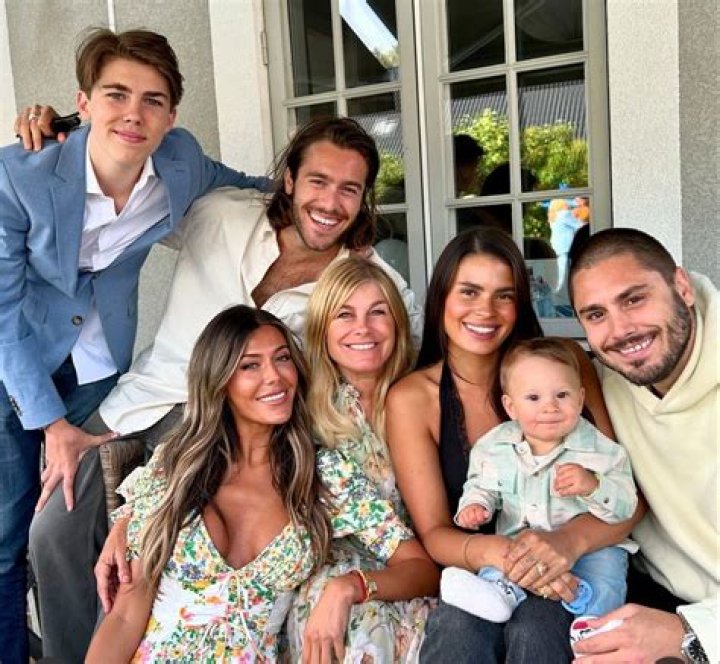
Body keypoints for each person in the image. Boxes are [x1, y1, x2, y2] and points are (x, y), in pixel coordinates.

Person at [30, 116, 422, 661]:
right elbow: (130, 191)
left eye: (349, 189)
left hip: (238, 429)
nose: (331, 203)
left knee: (136, 572)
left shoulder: (360, 281)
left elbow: (404, 346)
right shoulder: (221, 214)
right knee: (54, 532)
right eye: (318, 181)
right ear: (289, 179)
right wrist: (69, 138)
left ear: (364, 199)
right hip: (144, 406)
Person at [0, 27, 268, 663]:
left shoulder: (180, 162)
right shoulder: (18, 176)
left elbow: (252, 186)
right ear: (83, 102)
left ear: (172, 115)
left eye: (153, 100)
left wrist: (326, 200)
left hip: (97, 369)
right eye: (115, 95)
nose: (134, 114)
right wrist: (51, 425)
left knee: (63, 526)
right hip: (16, 367)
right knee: (8, 538)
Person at [84, 304, 436, 662]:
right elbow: (125, 617)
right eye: (250, 365)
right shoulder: (177, 469)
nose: (275, 377)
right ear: (220, 381)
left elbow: (421, 569)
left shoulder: (324, 477)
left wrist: (349, 587)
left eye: (282, 359)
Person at [385, 227, 644, 663]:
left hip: (582, 560)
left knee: (538, 626)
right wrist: (508, 556)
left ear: (520, 302)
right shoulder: (414, 398)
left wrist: (566, 544)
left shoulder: (563, 364)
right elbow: (435, 532)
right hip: (487, 571)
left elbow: (627, 494)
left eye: (503, 295)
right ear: (441, 298)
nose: (485, 310)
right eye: (469, 292)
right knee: (457, 628)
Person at [568, 228, 717, 663]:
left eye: (634, 299)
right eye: (596, 314)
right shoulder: (605, 382)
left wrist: (691, 635)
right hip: (652, 593)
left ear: (682, 287)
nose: (621, 331)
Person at [283, 256, 436, 661]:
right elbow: (211, 445)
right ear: (322, 329)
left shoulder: (423, 397)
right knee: (357, 630)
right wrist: (130, 518)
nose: (363, 328)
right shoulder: (297, 406)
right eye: (344, 315)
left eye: (377, 312)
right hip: (332, 573)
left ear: (397, 324)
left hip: (420, 571)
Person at [441, 338, 637, 629]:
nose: (550, 407)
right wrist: (476, 505)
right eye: (533, 398)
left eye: (562, 395)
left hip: (590, 549)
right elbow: (480, 485)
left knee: (606, 571)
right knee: (504, 560)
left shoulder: (601, 451)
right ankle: (498, 593)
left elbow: (627, 506)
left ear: (580, 399)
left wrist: (593, 485)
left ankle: (594, 624)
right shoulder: (495, 446)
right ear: (511, 406)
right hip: (520, 541)